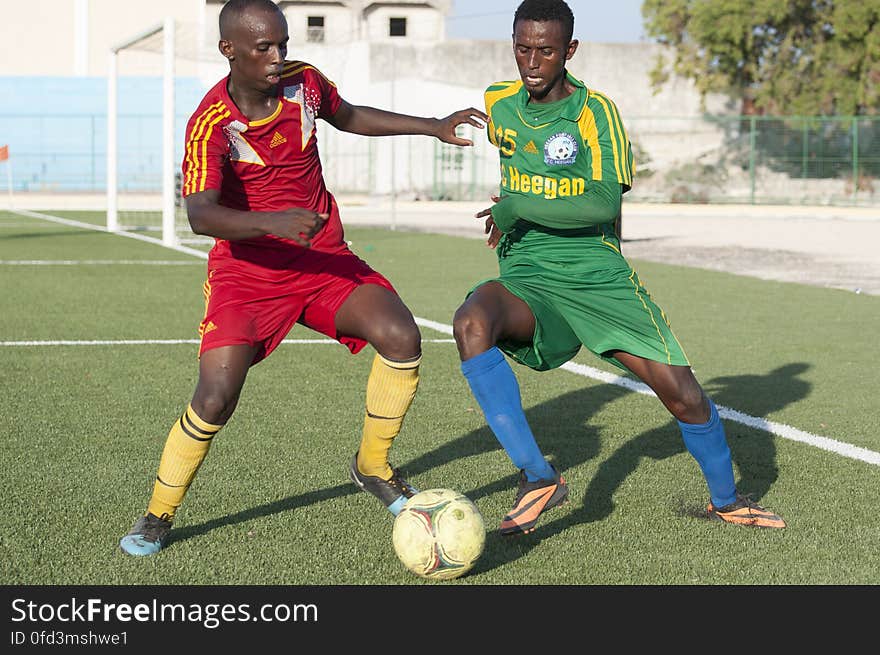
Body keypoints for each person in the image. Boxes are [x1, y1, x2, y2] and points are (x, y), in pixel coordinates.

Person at [119, 0, 488, 556]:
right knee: (216, 396)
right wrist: (272, 223)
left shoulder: (305, 83)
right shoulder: (211, 124)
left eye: (282, 44)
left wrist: (432, 126)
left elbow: (351, 115)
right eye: (263, 48)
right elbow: (200, 214)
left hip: (321, 262)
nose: (277, 57)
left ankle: (372, 467)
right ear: (230, 51)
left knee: (401, 336)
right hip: (247, 275)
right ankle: (158, 513)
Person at [452, 0, 785, 536]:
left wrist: (517, 206)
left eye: (546, 50)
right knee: (471, 323)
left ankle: (726, 499)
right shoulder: (499, 103)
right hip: (528, 274)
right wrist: (508, 207)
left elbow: (604, 204)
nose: (532, 62)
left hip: (596, 276)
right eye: (522, 48)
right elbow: (519, 165)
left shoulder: (594, 112)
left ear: (570, 51)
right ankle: (538, 477)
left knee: (683, 394)